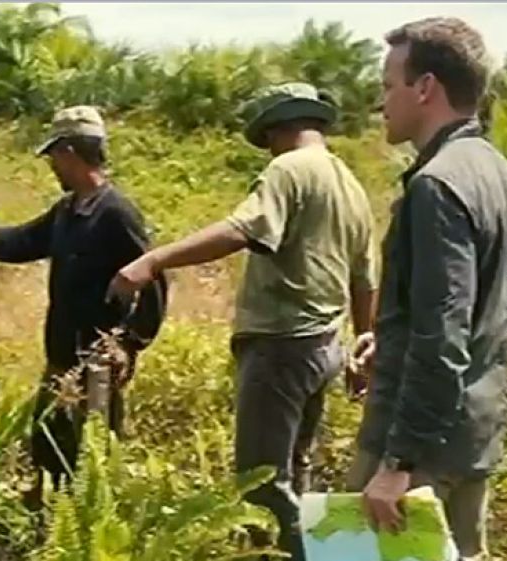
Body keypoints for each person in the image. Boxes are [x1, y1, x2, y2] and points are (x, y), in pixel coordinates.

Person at [107, 82, 378, 561]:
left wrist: (153, 261)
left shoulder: (288, 169)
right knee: (296, 468)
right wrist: (364, 339)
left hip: (281, 345)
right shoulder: (349, 184)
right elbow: (364, 278)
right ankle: (310, 551)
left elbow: (243, 228)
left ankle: (304, 555)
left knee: (260, 482)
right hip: (326, 345)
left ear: (277, 129)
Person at [0, 105, 168, 509]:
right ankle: (46, 530)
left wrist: (132, 342)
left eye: (53, 155)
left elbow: (152, 277)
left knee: (95, 461)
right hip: (61, 358)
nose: (51, 165)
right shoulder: (67, 211)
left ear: (70, 151)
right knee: (48, 448)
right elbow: (21, 241)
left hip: (96, 363)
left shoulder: (116, 213)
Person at [347, 18, 507, 561]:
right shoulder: (494, 170)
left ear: (424, 88)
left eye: (387, 86)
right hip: (472, 433)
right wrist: (394, 336)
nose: (382, 102)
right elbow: (485, 306)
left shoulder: (437, 184)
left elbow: (444, 333)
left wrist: (397, 463)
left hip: (422, 449)